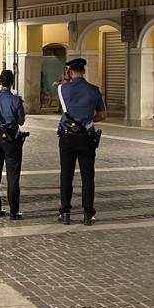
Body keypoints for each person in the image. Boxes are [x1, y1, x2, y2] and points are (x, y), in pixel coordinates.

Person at [56, 58, 106, 225]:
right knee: (88, 176)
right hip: (86, 138)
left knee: (66, 175)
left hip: (67, 137)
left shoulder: (62, 89)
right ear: (83, 71)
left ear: (69, 72)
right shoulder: (94, 90)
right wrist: (88, 119)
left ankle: (65, 212)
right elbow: (102, 115)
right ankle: (87, 213)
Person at [0, 69, 26, 220]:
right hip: (10, 139)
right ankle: (14, 211)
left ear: (0, 82)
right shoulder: (16, 100)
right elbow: (21, 121)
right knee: (12, 176)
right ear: (12, 82)